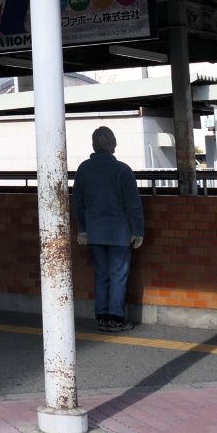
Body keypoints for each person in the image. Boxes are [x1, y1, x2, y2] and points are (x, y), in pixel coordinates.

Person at [72, 126, 144, 332]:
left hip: (94, 232)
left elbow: (78, 202)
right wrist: (138, 231)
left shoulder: (84, 169)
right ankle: (115, 318)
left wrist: (83, 229)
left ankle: (102, 316)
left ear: (94, 145)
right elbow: (133, 204)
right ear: (113, 145)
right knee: (118, 275)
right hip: (119, 233)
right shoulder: (123, 170)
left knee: (101, 275)